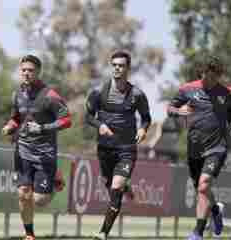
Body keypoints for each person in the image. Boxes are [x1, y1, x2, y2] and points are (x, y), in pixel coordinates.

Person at [167, 55, 231, 240]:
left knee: (203, 185)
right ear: (203, 72)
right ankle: (215, 210)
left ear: (220, 75)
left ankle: (197, 233)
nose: (212, 80)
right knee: (202, 190)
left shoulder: (227, 93)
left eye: (216, 77)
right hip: (195, 147)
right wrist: (178, 111)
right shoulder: (187, 89)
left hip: (217, 147)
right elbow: (170, 108)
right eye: (209, 76)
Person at [1, 54, 71, 240]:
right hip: (23, 150)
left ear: (38, 72)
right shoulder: (17, 94)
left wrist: (43, 127)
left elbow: (66, 120)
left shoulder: (50, 95)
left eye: (30, 70)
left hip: (44, 154)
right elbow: (16, 117)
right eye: (23, 70)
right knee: (23, 194)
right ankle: (29, 234)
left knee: (40, 201)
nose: (26, 73)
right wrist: (10, 126)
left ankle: (55, 176)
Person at [85, 50, 152, 240]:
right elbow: (88, 116)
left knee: (116, 188)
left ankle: (103, 233)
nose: (117, 68)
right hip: (105, 149)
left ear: (128, 68)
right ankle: (124, 186)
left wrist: (142, 129)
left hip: (126, 150)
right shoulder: (98, 92)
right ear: (110, 66)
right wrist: (101, 125)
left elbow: (146, 118)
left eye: (121, 65)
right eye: (114, 65)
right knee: (110, 184)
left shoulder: (137, 94)